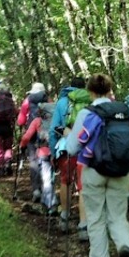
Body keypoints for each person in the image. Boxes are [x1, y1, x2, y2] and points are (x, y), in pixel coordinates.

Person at [66, 74, 129, 257]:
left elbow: (72, 147)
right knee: (118, 217)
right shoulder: (124, 112)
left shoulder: (87, 113)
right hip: (121, 171)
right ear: (110, 90)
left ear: (90, 91)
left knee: (95, 218)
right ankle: (125, 247)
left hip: (94, 170)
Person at [50, 76, 88, 235]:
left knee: (65, 180)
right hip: (86, 147)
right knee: (83, 185)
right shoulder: (90, 102)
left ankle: (64, 217)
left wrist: (53, 152)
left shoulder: (62, 102)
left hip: (66, 147)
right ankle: (83, 226)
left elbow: (54, 129)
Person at [19, 97, 56, 210]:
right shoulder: (56, 120)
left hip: (43, 152)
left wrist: (22, 146)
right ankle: (47, 200)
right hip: (56, 152)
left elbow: (26, 137)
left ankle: (51, 204)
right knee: (51, 177)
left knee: (46, 178)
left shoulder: (37, 121)